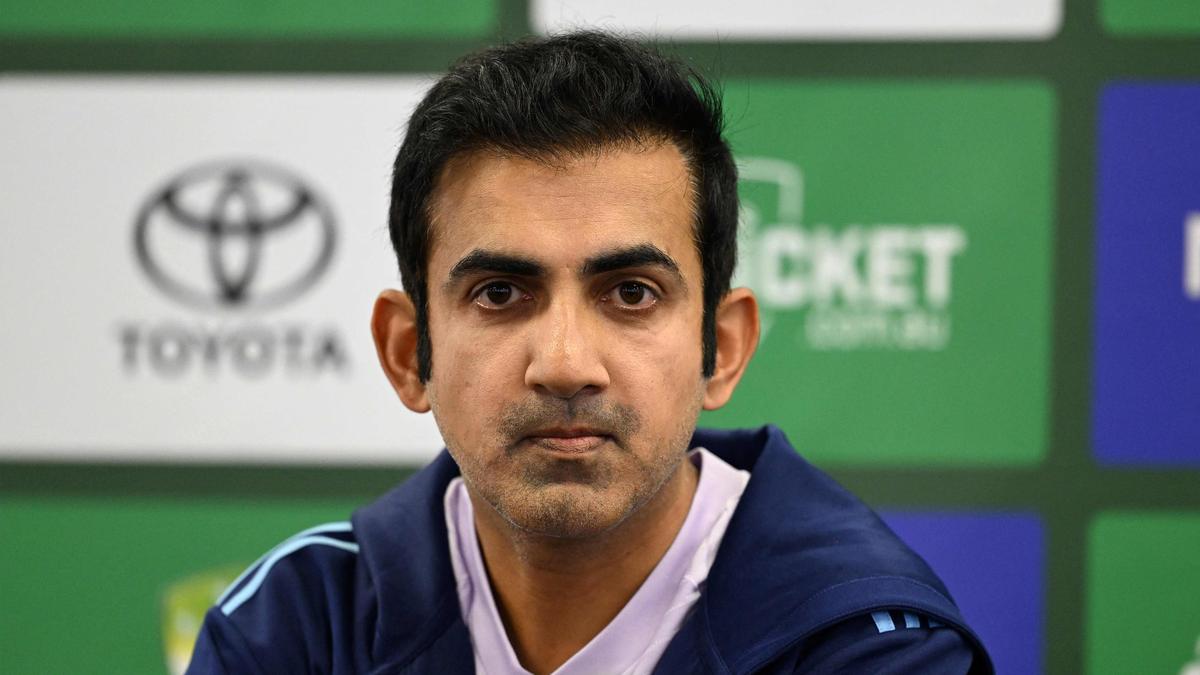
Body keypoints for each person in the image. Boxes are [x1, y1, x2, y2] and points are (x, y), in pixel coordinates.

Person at [187, 31, 994, 674]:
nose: (567, 364)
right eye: (500, 293)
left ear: (720, 348)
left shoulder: (869, 648)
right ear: (409, 353)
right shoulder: (294, 626)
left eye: (631, 293)